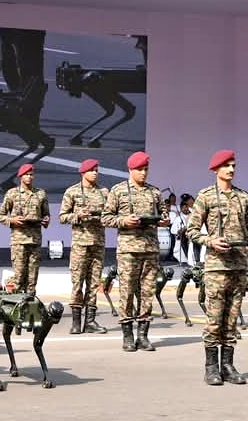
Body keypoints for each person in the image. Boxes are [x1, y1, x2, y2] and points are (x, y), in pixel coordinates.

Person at [186, 149, 248, 386]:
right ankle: (211, 367)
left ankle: (228, 365)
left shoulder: (243, 198)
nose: (231, 170)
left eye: (233, 165)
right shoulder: (205, 197)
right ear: (216, 169)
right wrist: (211, 241)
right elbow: (192, 231)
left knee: (232, 319)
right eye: (226, 166)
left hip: (238, 265)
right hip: (216, 267)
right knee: (214, 319)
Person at [101, 151, 169, 352]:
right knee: (127, 292)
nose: (143, 173)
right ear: (130, 170)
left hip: (150, 249)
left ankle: (143, 335)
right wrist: (124, 221)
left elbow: (163, 214)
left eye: (146, 169)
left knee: (147, 292)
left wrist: (164, 220)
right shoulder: (119, 191)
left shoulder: (154, 192)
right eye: (140, 169)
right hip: (129, 249)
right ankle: (128, 335)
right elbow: (105, 218)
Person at [58, 158, 109, 335]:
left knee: (94, 283)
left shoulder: (104, 192)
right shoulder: (72, 192)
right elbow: (62, 216)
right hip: (80, 243)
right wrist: (77, 215)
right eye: (91, 170)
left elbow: (110, 215)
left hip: (98, 243)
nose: (95, 173)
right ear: (83, 172)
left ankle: (90, 321)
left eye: (97, 170)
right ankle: (76, 321)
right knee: (77, 282)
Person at [0, 163, 50, 294]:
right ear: (20, 176)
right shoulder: (12, 194)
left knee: (32, 279)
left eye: (31, 174)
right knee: (19, 277)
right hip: (19, 241)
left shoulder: (40, 194)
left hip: (35, 240)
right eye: (26, 174)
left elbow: (46, 214)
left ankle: (30, 307)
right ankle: (16, 306)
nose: (29, 177)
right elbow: (0, 215)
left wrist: (46, 220)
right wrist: (12, 220)